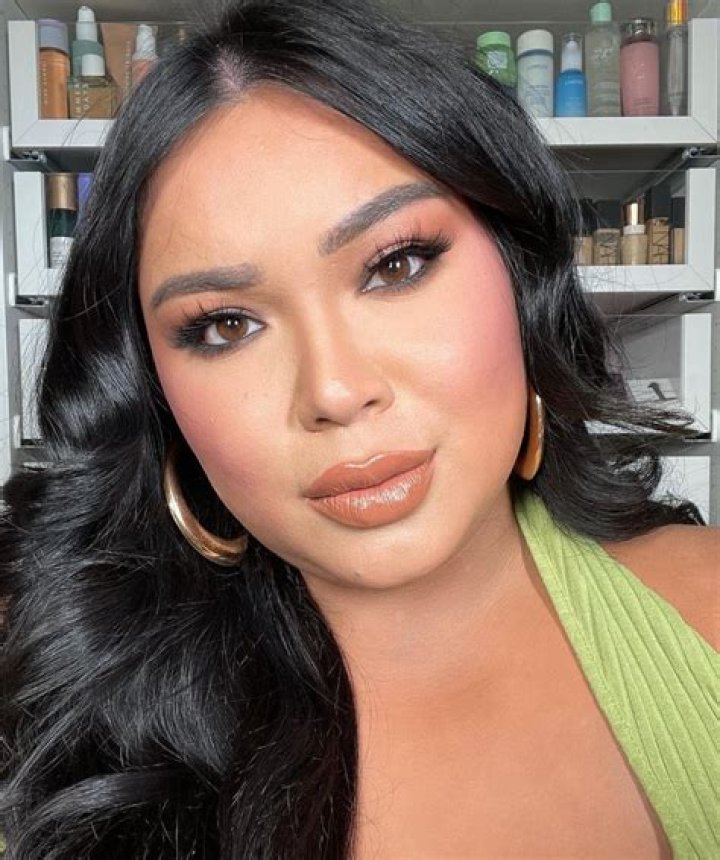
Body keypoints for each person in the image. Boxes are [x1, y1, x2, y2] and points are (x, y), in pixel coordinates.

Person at [0, 0, 717, 857]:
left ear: (518, 271)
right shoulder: (77, 736)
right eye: (226, 324)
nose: (336, 392)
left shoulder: (705, 608)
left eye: (395, 265)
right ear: (153, 391)